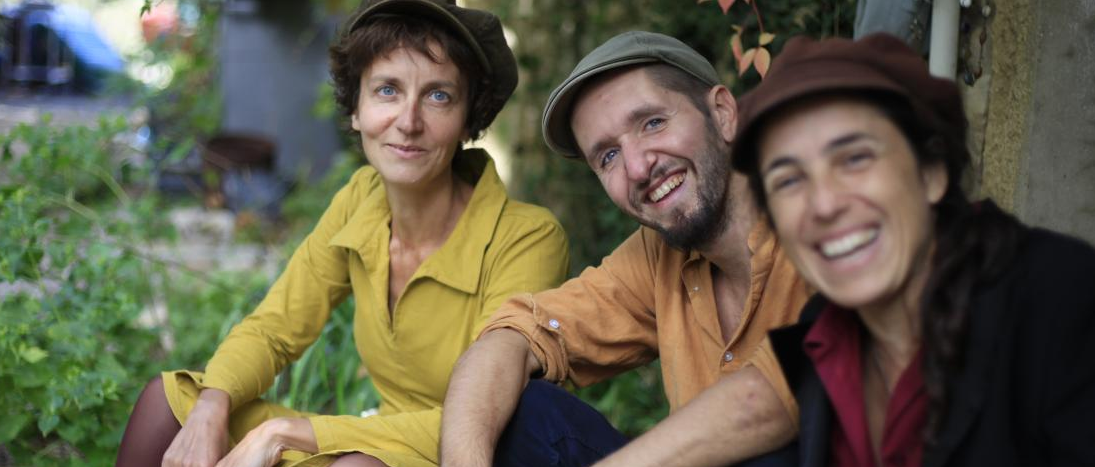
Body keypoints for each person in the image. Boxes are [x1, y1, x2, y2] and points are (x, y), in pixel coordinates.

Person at [115, 1, 569, 466]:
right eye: (388, 90)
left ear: (467, 119)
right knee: (168, 404)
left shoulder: (526, 238)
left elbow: (492, 416)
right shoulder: (361, 200)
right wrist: (213, 402)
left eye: (438, 96)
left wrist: (287, 431)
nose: (409, 122)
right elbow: (276, 329)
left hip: (471, 452)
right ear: (356, 110)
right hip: (373, 444)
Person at [732, 33, 1095, 467]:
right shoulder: (820, 338)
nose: (824, 204)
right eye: (788, 180)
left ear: (932, 172)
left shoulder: (1075, 305)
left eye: (855, 158)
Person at [439, 31, 812, 467]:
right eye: (608, 156)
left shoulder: (820, 212)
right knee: (527, 414)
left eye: (653, 123)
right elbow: (513, 337)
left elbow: (782, 389)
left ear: (724, 113)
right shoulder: (658, 258)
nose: (638, 168)